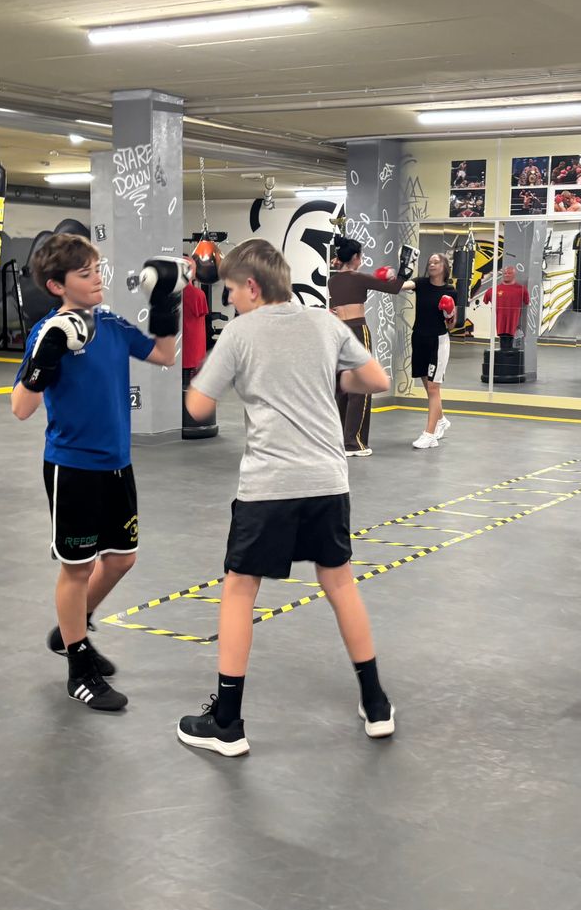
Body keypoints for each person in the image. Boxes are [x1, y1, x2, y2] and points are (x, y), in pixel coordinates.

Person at [177, 239, 394, 756]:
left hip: (269, 486)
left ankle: (227, 723)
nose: (230, 301)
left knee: (239, 589)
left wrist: (222, 375)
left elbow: (198, 407)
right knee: (340, 583)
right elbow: (376, 380)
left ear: (252, 287)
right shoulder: (324, 322)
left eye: (232, 291)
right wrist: (325, 376)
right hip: (328, 481)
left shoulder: (241, 332)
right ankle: (376, 703)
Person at [11, 235, 181, 711]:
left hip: (117, 465)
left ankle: (73, 630)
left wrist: (164, 303)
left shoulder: (110, 323)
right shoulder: (49, 331)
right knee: (78, 567)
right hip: (73, 467)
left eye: (96, 269)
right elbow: (21, 408)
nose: (97, 278)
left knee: (122, 559)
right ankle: (78, 668)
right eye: (84, 273)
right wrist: (46, 356)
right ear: (56, 285)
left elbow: (164, 355)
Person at [326, 237, 413, 456]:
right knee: (361, 386)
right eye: (361, 256)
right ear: (355, 257)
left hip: (338, 333)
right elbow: (394, 288)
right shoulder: (359, 278)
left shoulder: (332, 281)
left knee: (343, 387)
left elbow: (336, 306)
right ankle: (354, 443)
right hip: (357, 330)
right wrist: (404, 271)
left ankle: (342, 441)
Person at [404, 252, 457, 449]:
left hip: (438, 341)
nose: (432, 264)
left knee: (434, 388)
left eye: (436, 262)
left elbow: (451, 325)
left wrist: (449, 312)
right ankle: (441, 420)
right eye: (430, 262)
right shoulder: (420, 283)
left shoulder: (450, 291)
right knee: (428, 386)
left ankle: (429, 434)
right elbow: (401, 286)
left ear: (444, 267)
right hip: (419, 338)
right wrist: (402, 271)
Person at [481, 264, 530, 348]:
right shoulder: (493, 290)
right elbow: (485, 301)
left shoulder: (522, 290)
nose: (507, 275)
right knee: (504, 345)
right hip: (500, 325)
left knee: (512, 347)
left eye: (509, 273)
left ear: (514, 275)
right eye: (505, 273)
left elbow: (527, 302)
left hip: (515, 326)